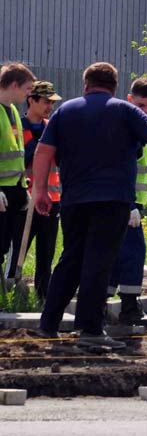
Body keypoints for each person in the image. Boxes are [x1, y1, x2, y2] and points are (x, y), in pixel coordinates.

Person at [34, 63, 147, 350]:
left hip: (73, 201)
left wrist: (40, 191)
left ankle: (48, 324)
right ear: (114, 87)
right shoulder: (125, 110)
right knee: (99, 262)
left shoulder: (65, 111)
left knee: (70, 259)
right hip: (112, 201)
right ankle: (90, 329)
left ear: (86, 85)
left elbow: (44, 152)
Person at [107, 77, 147, 326]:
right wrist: (130, 205)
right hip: (123, 203)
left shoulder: (143, 126)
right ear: (130, 100)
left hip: (132, 203)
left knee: (116, 254)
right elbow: (120, 168)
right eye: (141, 105)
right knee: (131, 253)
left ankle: (103, 305)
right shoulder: (125, 127)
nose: (146, 111)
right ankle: (128, 308)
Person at [11, 81, 62, 300]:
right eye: (45, 101)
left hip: (51, 199)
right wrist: (44, 144)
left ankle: (43, 297)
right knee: (17, 249)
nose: (49, 106)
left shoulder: (53, 127)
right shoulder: (16, 128)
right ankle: (12, 291)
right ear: (31, 100)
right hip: (24, 199)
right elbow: (24, 158)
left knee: (46, 252)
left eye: (52, 102)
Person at [0, 62, 35, 283]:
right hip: (2, 190)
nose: (28, 94)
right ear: (14, 84)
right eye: (27, 89)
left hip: (14, 189)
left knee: (4, 244)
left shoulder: (11, 110)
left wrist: (23, 188)